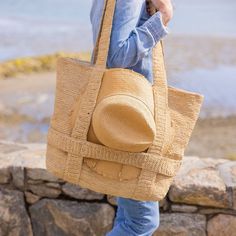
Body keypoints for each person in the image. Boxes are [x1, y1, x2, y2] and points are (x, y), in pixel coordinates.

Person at [90, 0, 173, 235]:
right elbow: (116, 56)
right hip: (130, 118)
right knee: (141, 223)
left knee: (128, 219)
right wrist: (163, 16)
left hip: (122, 116)